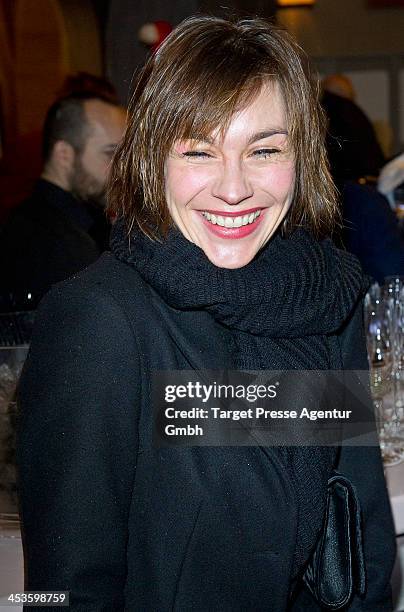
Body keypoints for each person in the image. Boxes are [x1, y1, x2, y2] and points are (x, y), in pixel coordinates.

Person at [17, 16, 396, 611]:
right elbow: (63, 591)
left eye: (264, 149)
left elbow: (360, 527)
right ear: (152, 160)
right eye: (199, 150)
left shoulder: (323, 297)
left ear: (304, 158)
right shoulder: (100, 321)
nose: (234, 187)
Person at [0, 93, 126, 308]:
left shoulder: (85, 223)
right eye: (110, 154)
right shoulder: (50, 242)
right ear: (64, 154)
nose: (122, 169)